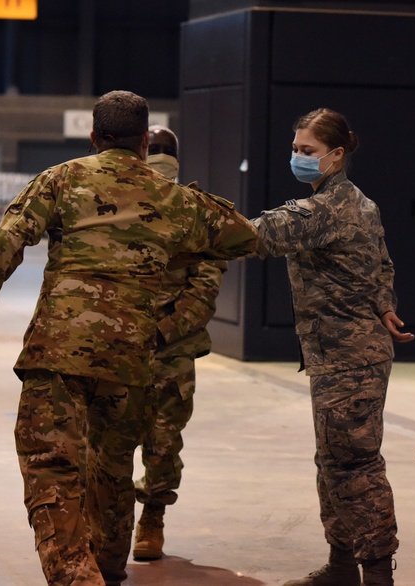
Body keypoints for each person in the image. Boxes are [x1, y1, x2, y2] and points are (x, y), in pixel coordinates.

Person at [0, 90, 258, 586]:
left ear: (93, 137)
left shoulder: (62, 179)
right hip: (130, 363)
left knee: (52, 468)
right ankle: (109, 566)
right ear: (141, 143)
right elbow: (247, 236)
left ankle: (76, 576)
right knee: (111, 470)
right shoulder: (176, 199)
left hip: (58, 354)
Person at [251, 108, 414, 586]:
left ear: (337, 155)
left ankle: (378, 573)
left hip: (350, 360)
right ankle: (342, 565)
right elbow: (382, 263)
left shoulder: (327, 208)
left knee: (356, 468)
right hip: (338, 355)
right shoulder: (358, 203)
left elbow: (260, 233)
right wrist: (384, 303)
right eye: (295, 149)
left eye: (309, 151)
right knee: (333, 463)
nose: (298, 158)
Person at [131, 125, 227, 561]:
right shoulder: (121, 205)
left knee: (163, 443)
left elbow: (204, 292)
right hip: (118, 346)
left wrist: (162, 332)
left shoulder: (197, 213)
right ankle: (110, 521)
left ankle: (153, 515)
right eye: (155, 149)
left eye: (167, 150)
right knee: (107, 441)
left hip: (171, 348)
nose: (161, 157)